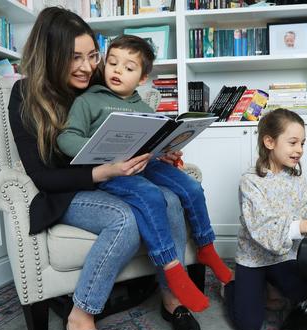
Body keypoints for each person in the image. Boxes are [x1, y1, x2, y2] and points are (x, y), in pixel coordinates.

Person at [9, 8, 198, 330]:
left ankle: (171, 297)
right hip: (67, 190)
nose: (86, 66)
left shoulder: (106, 84)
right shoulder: (25, 95)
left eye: (92, 55)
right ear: (51, 56)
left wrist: (160, 153)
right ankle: (79, 322)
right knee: (124, 219)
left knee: (171, 198)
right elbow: (43, 176)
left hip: (119, 180)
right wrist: (103, 172)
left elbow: (133, 139)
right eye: (74, 57)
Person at [57, 35, 232, 314]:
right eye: (112, 63)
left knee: (191, 187)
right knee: (151, 195)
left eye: (128, 68)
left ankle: (206, 246)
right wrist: (96, 151)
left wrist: (166, 151)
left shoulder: (145, 108)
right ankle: (171, 266)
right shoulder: (88, 101)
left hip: (147, 163)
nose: (117, 71)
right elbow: (66, 139)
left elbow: (151, 147)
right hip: (113, 170)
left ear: (141, 78)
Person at [223, 108, 307, 330]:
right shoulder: (250, 181)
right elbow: (262, 227)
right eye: (293, 142)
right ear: (269, 142)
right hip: (254, 259)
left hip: (283, 256)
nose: (300, 150)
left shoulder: (294, 176)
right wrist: (305, 226)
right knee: (248, 326)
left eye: (302, 143)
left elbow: (306, 205)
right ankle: (232, 288)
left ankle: (272, 284)